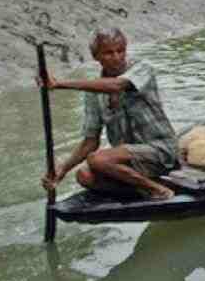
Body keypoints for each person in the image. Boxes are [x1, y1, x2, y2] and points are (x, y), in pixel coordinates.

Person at [39, 28, 179, 200]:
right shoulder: (93, 92)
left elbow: (117, 85)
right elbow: (91, 141)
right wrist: (62, 169)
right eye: (108, 53)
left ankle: (157, 190)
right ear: (96, 56)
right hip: (129, 161)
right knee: (84, 175)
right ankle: (143, 188)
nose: (116, 57)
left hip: (160, 151)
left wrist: (60, 84)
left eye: (120, 51)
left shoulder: (142, 69)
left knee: (98, 160)